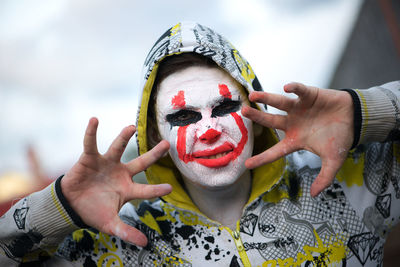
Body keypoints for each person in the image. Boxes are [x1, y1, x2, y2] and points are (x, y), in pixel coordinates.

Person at [0, 21, 399, 267]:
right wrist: (59, 209)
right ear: (156, 136)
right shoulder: (123, 245)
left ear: (253, 109)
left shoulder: (350, 184)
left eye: (224, 106)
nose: (209, 130)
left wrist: (363, 113)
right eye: (184, 116)